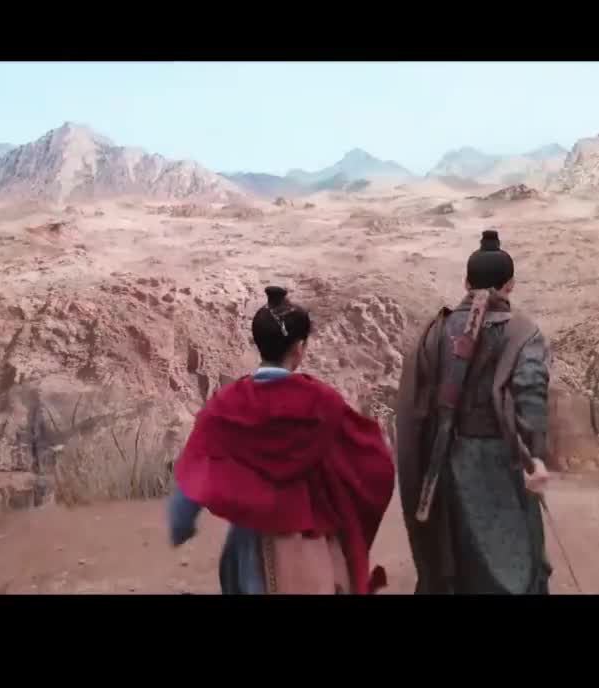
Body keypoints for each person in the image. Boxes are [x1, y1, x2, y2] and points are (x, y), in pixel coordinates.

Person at [166, 286, 395, 594]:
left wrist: (181, 524)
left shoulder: (226, 403)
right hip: (308, 540)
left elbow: (196, 466)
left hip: (248, 546)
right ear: (299, 348)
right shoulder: (322, 402)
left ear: (258, 343)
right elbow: (369, 458)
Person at [395, 230, 553, 594]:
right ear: (510, 285)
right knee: (515, 561)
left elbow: (418, 401)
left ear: (466, 283)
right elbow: (530, 393)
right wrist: (535, 457)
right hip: (502, 466)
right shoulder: (523, 333)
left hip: (448, 462)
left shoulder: (437, 330)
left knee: (458, 561)